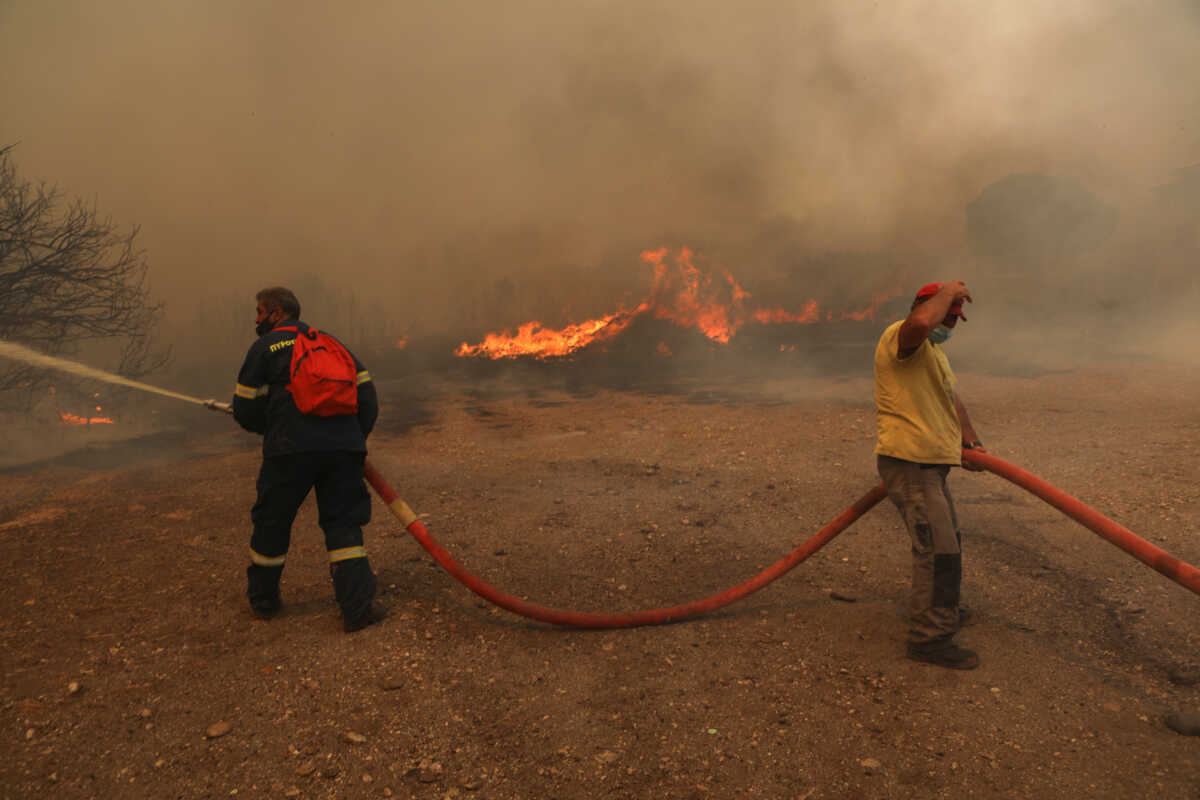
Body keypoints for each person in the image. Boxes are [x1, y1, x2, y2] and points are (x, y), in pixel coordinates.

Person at [225, 286, 386, 633]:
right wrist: (352, 440)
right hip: (342, 450)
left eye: (259, 311)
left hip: (289, 451)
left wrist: (274, 429)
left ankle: (264, 603)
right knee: (344, 526)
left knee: (272, 523)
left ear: (278, 313)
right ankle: (357, 611)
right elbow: (368, 396)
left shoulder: (264, 348)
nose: (256, 319)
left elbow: (245, 407)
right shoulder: (330, 342)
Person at [873, 280, 986, 669]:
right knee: (937, 550)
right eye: (947, 315)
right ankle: (929, 639)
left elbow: (951, 399)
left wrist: (969, 442)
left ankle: (944, 610)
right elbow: (921, 324)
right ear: (926, 306)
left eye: (956, 319)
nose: (951, 324)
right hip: (910, 463)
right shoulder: (901, 336)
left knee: (947, 542)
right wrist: (949, 290)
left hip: (930, 465)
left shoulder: (934, 354)